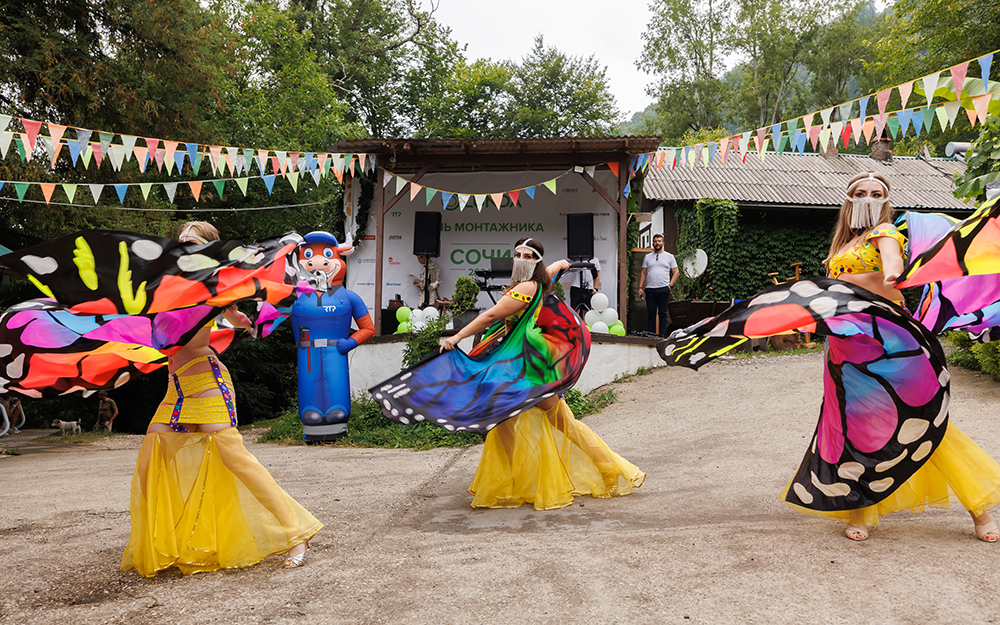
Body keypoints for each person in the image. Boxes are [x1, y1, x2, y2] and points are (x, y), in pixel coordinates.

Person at [658, 171, 1000, 543]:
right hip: (844, 348)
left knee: (917, 419)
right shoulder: (842, 244)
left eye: (875, 193)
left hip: (886, 342)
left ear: (885, 200)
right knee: (854, 427)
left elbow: (892, 272)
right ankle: (859, 512)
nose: (867, 197)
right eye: (859, 192)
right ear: (848, 199)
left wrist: (885, 277)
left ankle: (979, 511)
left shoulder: (885, 234)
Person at [121, 222, 322, 575]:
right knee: (151, 457)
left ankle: (295, 533)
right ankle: (168, 542)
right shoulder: (166, 286)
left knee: (236, 459)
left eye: (193, 242)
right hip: (177, 387)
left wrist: (242, 316)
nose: (184, 247)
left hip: (207, 381)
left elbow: (240, 295)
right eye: (181, 241)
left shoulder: (211, 287)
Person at [436, 237, 645, 510]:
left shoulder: (524, 288)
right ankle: (607, 469)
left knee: (521, 424)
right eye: (517, 254)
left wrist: (457, 337)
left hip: (525, 369)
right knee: (528, 423)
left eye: (528, 255)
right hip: (532, 366)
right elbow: (558, 266)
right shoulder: (541, 281)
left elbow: (489, 317)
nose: (521, 259)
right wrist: (564, 263)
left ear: (536, 261)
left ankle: (513, 483)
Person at [638, 234, 678, 336]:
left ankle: (662, 336)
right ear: (652, 243)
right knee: (651, 314)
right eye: (655, 241)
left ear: (663, 243)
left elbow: (676, 272)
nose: (657, 243)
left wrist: (670, 286)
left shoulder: (669, 256)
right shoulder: (647, 257)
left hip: (664, 288)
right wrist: (640, 287)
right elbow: (643, 272)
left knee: (663, 314)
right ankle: (651, 336)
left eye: (659, 241)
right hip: (650, 289)